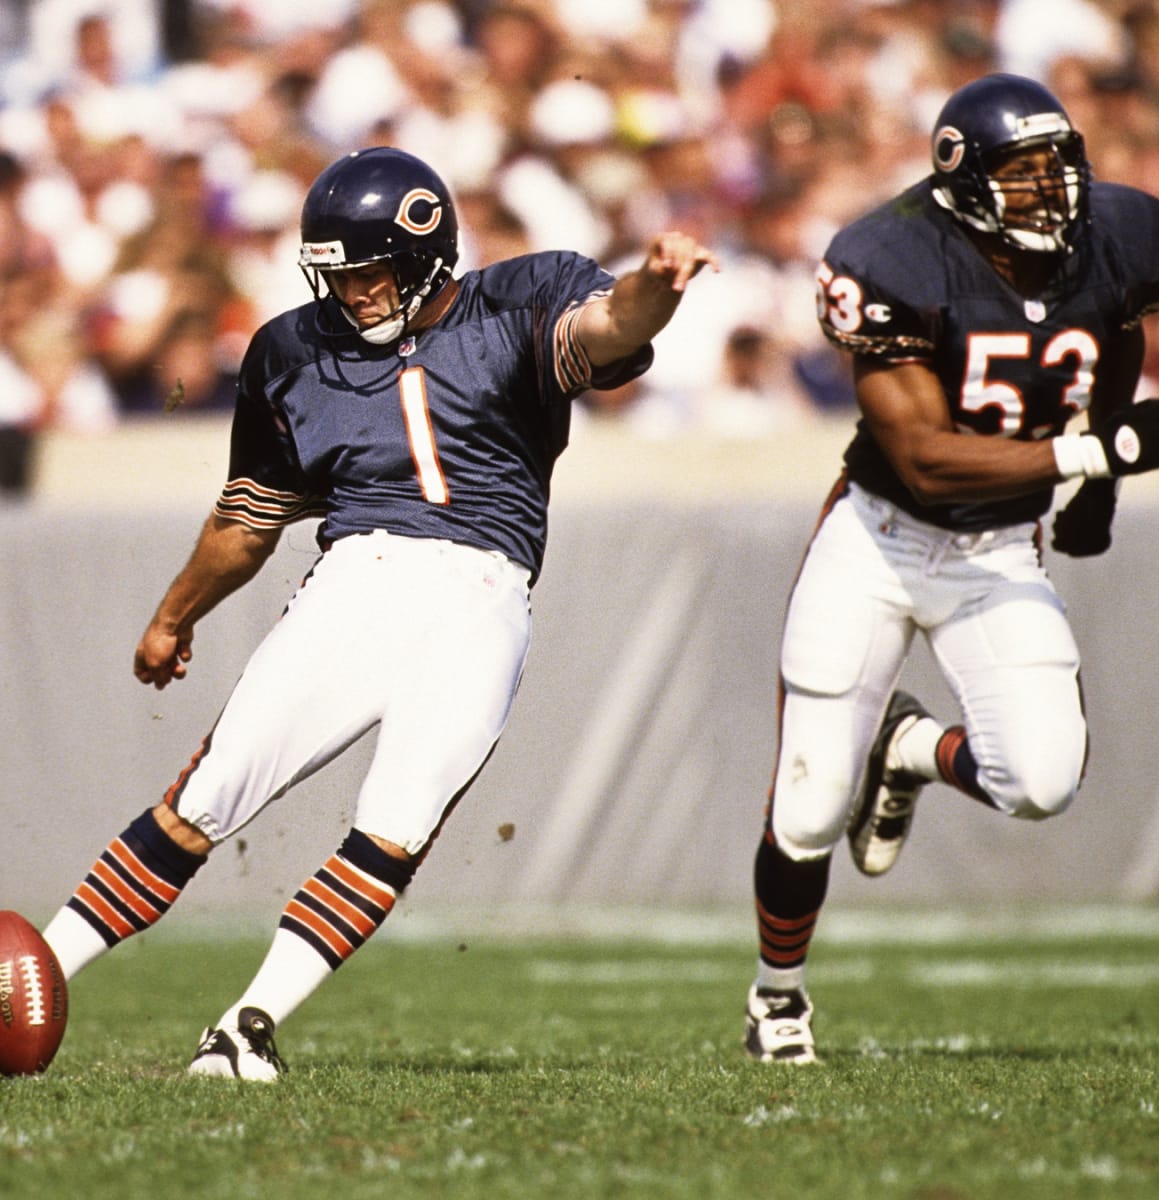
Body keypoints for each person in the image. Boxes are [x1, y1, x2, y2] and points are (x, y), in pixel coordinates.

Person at [40, 146, 717, 1080]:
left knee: (396, 824)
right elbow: (249, 515)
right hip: (360, 577)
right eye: (339, 275)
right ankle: (34, 971)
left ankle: (247, 1025)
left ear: (426, 252)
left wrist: (657, 284)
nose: (353, 294)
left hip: (486, 594)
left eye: (370, 273)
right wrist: (174, 615)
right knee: (213, 791)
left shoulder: (518, 301)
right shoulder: (290, 349)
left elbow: (608, 328)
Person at [743, 73, 1159, 1064]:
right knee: (809, 806)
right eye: (1021, 174)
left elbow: (1115, 337)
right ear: (964, 181)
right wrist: (1094, 457)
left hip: (996, 552)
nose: (1050, 190)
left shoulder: (1122, 238)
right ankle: (778, 998)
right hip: (879, 540)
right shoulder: (892, 258)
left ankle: (911, 751)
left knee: (1040, 782)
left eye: (1057, 166)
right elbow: (925, 456)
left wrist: (1098, 481)